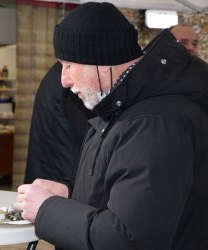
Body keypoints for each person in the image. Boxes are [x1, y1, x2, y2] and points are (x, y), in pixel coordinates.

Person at [15, 2, 208, 249]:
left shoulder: (154, 124)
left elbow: (128, 238)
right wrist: (69, 192)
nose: (64, 80)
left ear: (100, 60)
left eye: (69, 64)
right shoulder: (123, 107)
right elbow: (120, 188)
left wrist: (48, 209)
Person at [24, 61, 94, 184]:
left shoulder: (57, 73)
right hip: (64, 178)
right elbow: (88, 139)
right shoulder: (73, 78)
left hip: (49, 174)